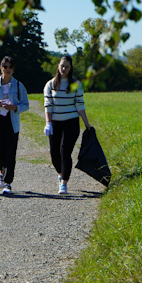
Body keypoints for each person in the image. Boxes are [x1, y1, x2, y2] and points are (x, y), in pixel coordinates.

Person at [43, 55, 91, 195]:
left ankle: (64, 183)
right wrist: (48, 123)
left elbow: (80, 105)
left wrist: (86, 124)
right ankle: (60, 173)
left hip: (71, 122)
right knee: (54, 153)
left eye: (67, 67)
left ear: (71, 69)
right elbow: (48, 105)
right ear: (58, 66)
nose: (64, 69)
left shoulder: (76, 84)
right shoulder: (50, 85)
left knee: (65, 151)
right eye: (62, 66)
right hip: (55, 123)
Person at [0, 55, 29, 195]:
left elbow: (25, 105)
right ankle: (1, 172)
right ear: (0, 68)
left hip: (12, 122)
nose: (7, 69)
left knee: (10, 153)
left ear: (13, 69)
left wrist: (15, 107)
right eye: (5, 67)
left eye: (10, 67)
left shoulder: (18, 85)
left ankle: (8, 183)